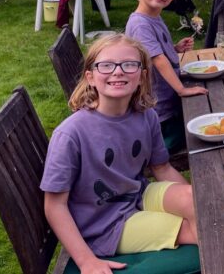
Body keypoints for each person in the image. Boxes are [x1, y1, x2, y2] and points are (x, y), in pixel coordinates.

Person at [41, 34, 199, 274]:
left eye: (129, 64)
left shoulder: (147, 116)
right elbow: (55, 205)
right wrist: (86, 261)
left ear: (142, 76)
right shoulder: (71, 134)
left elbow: (162, 168)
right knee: (201, 230)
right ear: (90, 77)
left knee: (202, 205)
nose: (118, 72)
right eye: (106, 65)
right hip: (105, 224)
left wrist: (191, 197)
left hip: (138, 194)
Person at [126, 0, 207, 153]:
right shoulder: (140, 24)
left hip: (167, 103)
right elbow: (158, 60)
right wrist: (181, 90)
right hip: (159, 110)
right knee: (197, 136)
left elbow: (153, 51)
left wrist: (175, 48)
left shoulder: (154, 17)